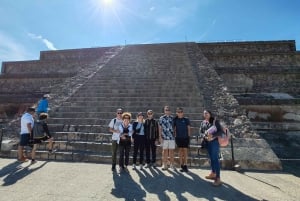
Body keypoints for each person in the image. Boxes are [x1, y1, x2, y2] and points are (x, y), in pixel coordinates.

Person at [199, 110, 224, 186]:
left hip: (214, 143)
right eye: (204, 113)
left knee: (215, 159)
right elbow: (200, 132)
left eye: (207, 113)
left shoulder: (214, 121)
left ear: (210, 114)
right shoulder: (203, 122)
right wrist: (205, 136)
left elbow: (220, 132)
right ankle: (213, 173)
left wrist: (212, 136)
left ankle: (218, 178)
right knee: (211, 158)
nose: (205, 114)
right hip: (207, 143)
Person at [174, 107, 191, 172]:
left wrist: (189, 137)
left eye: (181, 112)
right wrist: (175, 137)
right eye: (178, 112)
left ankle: (185, 165)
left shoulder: (186, 119)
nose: (180, 113)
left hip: (185, 137)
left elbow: (189, 128)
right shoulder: (175, 120)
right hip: (178, 138)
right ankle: (181, 165)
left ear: (183, 113)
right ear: (177, 113)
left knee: (185, 152)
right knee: (180, 152)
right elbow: (174, 129)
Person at [159, 106, 175, 170]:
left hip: (171, 137)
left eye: (168, 110)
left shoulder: (173, 118)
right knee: (164, 151)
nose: (167, 111)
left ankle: (172, 164)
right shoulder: (161, 118)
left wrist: (175, 136)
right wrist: (160, 137)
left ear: (170, 111)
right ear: (164, 111)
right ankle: (164, 164)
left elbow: (175, 128)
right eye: (166, 110)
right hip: (164, 137)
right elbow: (160, 128)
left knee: (171, 151)